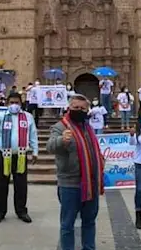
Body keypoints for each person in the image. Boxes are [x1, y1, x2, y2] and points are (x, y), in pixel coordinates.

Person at [46, 94, 105, 250]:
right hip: (70, 184)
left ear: (87, 110)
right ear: (68, 108)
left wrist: (99, 159)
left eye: (82, 108)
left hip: (90, 183)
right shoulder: (60, 127)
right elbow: (50, 146)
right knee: (67, 224)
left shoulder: (88, 127)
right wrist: (61, 141)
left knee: (89, 222)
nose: (79, 110)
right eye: (75, 108)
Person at [0, 92, 38, 225]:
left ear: (21, 104)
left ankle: (21, 211)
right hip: (4, 155)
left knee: (21, 185)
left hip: (21, 155)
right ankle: (0, 212)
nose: (14, 105)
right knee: (1, 184)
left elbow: (32, 135)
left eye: (17, 102)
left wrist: (35, 151)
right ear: (7, 103)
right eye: (12, 102)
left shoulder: (28, 117)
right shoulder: (2, 116)